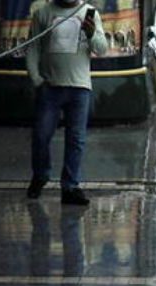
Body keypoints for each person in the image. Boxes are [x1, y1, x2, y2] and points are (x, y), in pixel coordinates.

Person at [26, 0, 108, 205]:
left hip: (79, 87)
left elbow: (101, 49)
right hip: (50, 86)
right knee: (41, 136)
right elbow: (33, 48)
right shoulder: (43, 14)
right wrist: (37, 79)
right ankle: (41, 175)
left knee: (76, 139)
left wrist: (91, 34)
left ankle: (70, 186)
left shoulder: (89, 13)